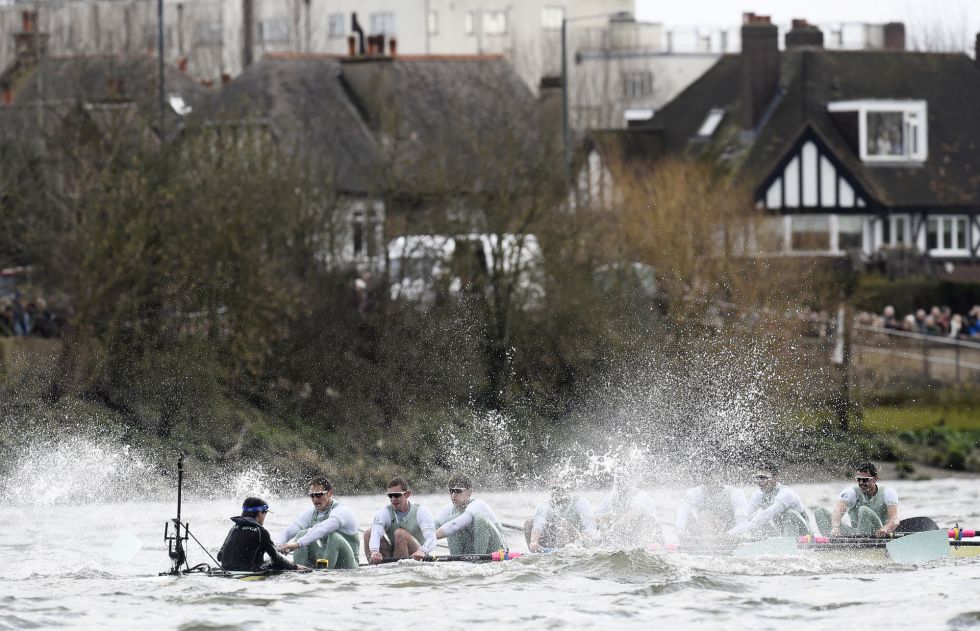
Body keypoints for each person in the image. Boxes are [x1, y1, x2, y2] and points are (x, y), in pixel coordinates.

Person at [275, 476, 360, 569]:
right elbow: (292, 529)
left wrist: (296, 545)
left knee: (334, 537)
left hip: (349, 563)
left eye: (319, 495)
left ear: (330, 493)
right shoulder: (311, 512)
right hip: (326, 558)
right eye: (312, 495)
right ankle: (299, 572)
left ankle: (324, 574)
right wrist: (277, 546)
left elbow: (323, 528)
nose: (315, 500)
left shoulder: (342, 511)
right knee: (301, 533)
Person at [217, 497, 306, 572]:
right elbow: (276, 558)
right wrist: (295, 567)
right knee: (272, 561)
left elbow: (220, 556)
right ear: (260, 512)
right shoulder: (260, 531)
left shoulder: (234, 528)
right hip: (248, 571)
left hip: (225, 569)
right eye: (265, 512)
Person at [364, 476, 437, 564]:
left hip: (418, 555)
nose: (393, 499)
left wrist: (423, 550)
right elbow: (376, 532)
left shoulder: (421, 511)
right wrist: (375, 551)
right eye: (390, 496)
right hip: (395, 555)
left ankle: (399, 571)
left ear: (407, 494)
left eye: (397, 495)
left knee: (400, 533)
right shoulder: (384, 512)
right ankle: (375, 566)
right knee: (368, 533)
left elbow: (432, 538)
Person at [814, 462, 899, 537]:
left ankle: (863, 543)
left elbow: (895, 519)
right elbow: (838, 511)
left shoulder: (888, 493)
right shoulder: (850, 492)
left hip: (879, 534)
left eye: (865, 480)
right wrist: (835, 528)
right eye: (858, 479)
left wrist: (885, 529)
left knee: (863, 510)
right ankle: (831, 543)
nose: (861, 483)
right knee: (819, 511)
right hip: (856, 534)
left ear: (875, 479)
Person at [727, 463, 811, 538]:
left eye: (763, 478)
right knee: (753, 517)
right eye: (757, 478)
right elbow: (746, 513)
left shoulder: (786, 493)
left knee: (789, 514)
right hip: (783, 535)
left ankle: (788, 543)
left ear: (775, 478)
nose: (759, 482)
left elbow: (766, 514)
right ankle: (759, 543)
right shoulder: (758, 495)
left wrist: (739, 530)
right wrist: (731, 531)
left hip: (805, 536)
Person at [434, 473, 507, 555]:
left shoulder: (478, 505)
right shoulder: (450, 508)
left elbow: (455, 525)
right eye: (451, 491)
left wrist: (431, 537)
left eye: (458, 491)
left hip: (498, 550)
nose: (453, 495)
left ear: (469, 492)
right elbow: (433, 524)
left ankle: (479, 561)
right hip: (473, 549)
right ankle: (457, 560)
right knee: (451, 518)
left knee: (480, 520)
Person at [524, 481, 597, 552]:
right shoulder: (545, 505)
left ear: (566, 488)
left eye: (559, 489)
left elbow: (590, 525)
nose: (556, 491)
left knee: (561, 523)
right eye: (554, 488)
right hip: (556, 539)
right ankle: (535, 551)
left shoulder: (579, 501)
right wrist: (534, 541)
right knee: (529, 523)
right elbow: (539, 523)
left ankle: (563, 556)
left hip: (578, 541)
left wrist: (588, 536)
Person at [674, 469, 750, 537]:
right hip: (706, 531)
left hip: (728, 532)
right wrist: (680, 529)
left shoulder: (734, 493)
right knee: (684, 514)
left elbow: (743, 524)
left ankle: (708, 541)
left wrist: (728, 534)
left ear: (720, 477)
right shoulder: (696, 492)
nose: (710, 479)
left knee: (705, 515)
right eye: (706, 476)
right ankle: (702, 540)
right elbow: (682, 511)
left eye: (713, 476)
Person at [593, 477, 661, 546]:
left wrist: (612, 529)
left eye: (623, 480)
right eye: (618, 480)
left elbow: (634, 513)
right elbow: (596, 518)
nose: (620, 483)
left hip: (644, 538)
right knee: (607, 516)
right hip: (619, 536)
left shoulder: (643, 497)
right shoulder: (610, 497)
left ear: (633, 481)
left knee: (620, 516)